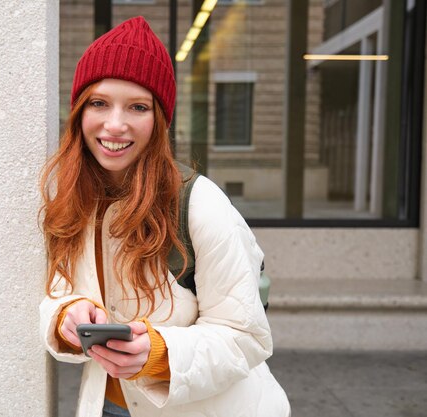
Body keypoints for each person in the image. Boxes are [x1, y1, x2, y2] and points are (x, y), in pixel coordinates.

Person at [39, 16, 290, 417]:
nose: (115, 124)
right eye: (99, 103)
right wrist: (66, 318)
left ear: (160, 121)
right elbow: (58, 289)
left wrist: (158, 354)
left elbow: (247, 336)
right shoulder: (72, 198)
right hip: (106, 403)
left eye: (137, 106)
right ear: (78, 111)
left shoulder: (199, 201)